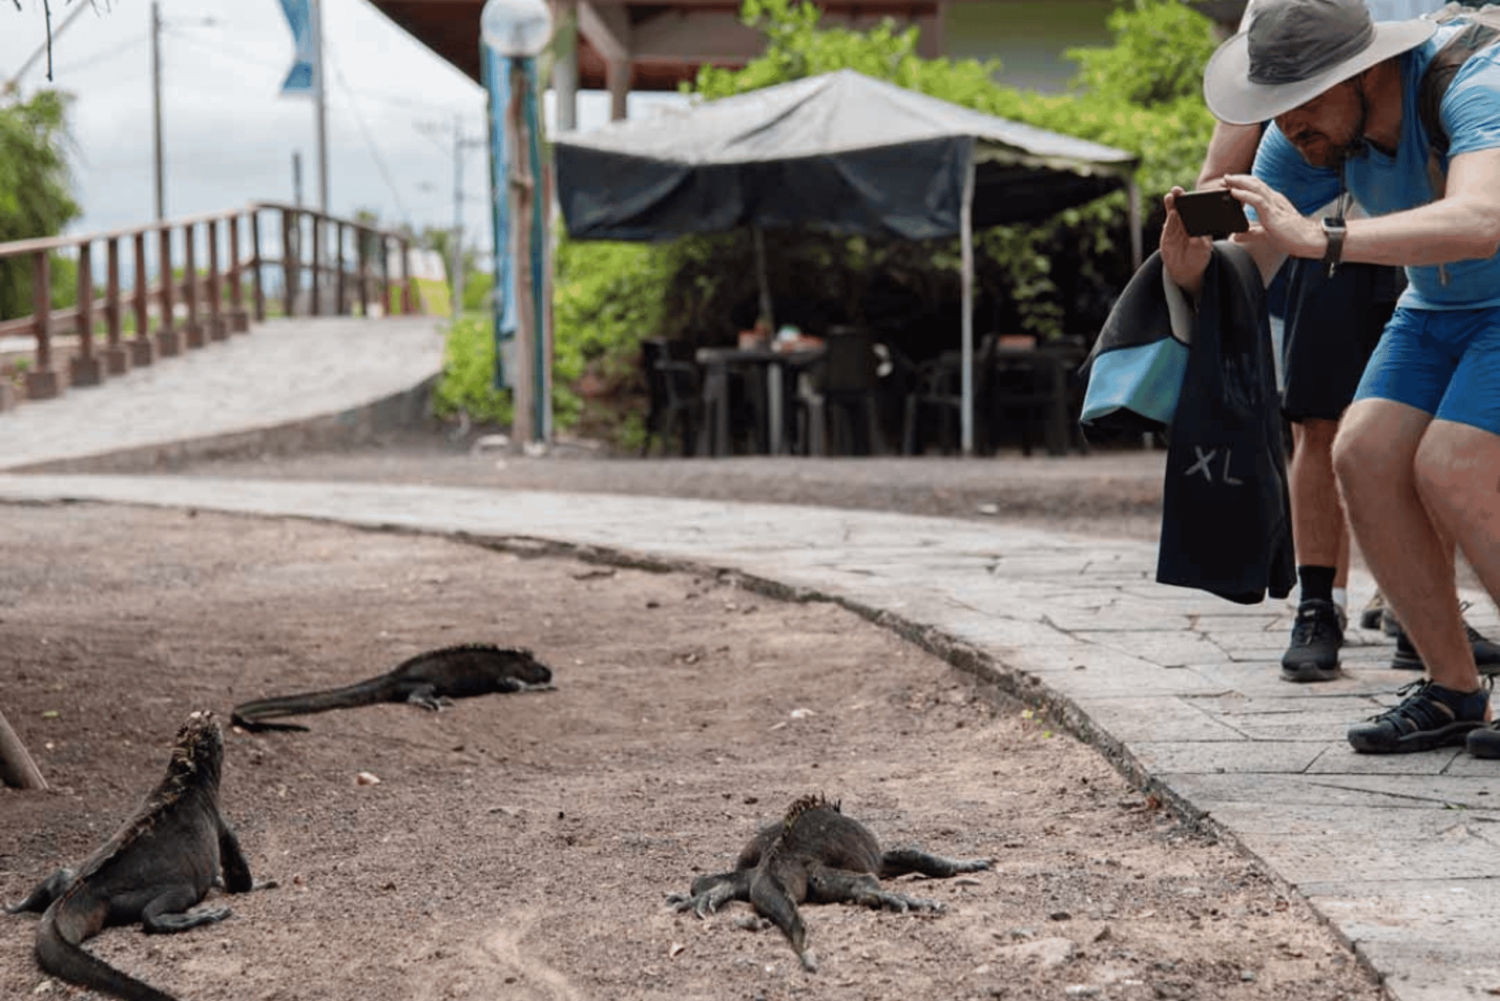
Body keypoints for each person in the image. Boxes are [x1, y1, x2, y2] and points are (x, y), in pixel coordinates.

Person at [1162, 0, 1500, 754]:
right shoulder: (1309, 130)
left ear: (1362, 72)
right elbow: (1252, 259)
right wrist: (1194, 270)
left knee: (1453, 462)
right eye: (1273, 110)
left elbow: (1483, 216)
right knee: (1363, 453)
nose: (1284, 129)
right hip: (1439, 303)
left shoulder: (1474, 82)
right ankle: (1453, 687)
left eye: (1300, 104)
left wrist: (1326, 237)